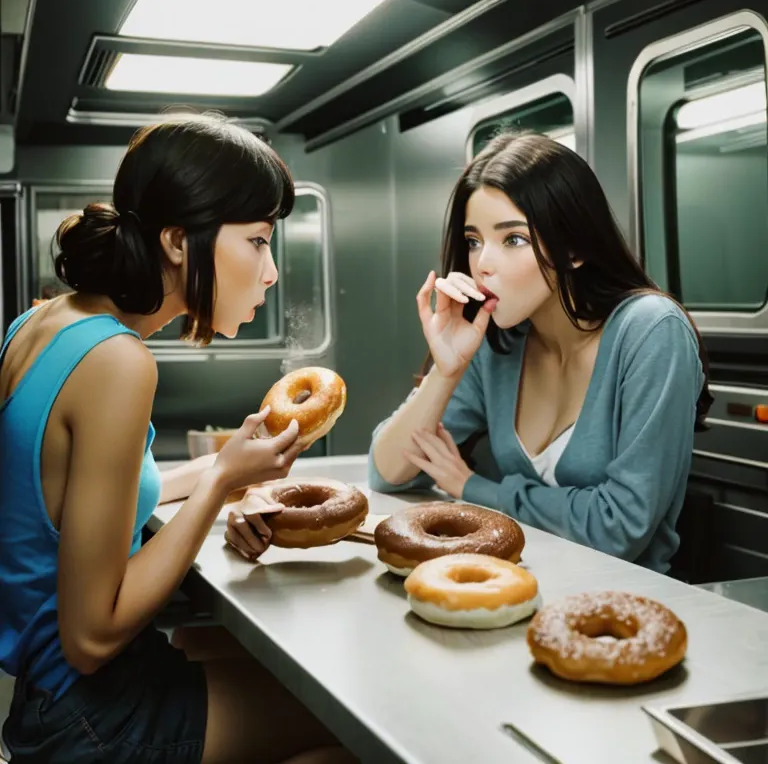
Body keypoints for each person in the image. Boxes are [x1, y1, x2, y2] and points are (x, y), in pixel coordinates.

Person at [0, 114, 356, 764]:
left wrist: (229, 464)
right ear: (176, 241)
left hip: (46, 700)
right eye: (256, 241)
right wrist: (220, 482)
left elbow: (85, 504)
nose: (270, 271)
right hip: (92, 716)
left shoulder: (45, 320)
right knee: (348, 714)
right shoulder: (118, 361)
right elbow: (91, 634)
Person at [368, 131, 712, 575]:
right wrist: (447, 369)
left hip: (623, 606)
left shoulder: (650, 331)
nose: (482, 264)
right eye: (474, 241)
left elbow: (621, 526)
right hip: (517, 584)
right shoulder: (498, 343)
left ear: (574, 249)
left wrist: (474, 488)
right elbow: (388, 471)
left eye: (513, 240)